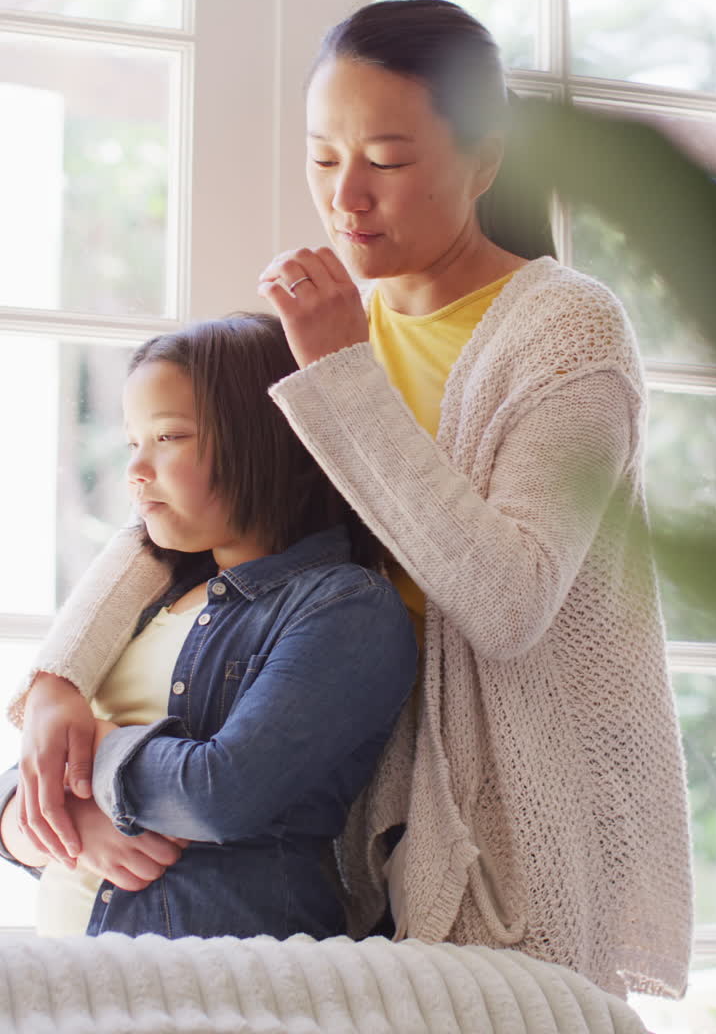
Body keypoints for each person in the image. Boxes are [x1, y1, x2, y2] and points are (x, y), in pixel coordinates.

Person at [8, 0, 691, 998]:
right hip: (356, 828)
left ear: (484, 160)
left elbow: (509, 598)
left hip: (516, 825)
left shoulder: (565, 334)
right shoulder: (333, 325)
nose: (348, 197)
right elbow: (181, 515)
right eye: (324, 159)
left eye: (388, 158)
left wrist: (337, 372)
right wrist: (57, 680)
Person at [0, 312, 417, 939]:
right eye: (131, 443)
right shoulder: (142, 595)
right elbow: (21, 784)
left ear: (271, 438)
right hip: (70, 980)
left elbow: (220, 792)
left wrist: (93, 746)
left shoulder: (348, 608)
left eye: (168, 438)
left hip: (216, 982)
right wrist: (73, 827)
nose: (137, 470)